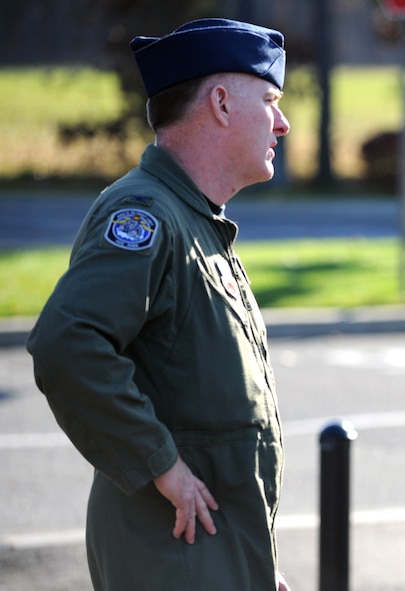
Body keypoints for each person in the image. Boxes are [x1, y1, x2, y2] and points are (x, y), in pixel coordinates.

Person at [27, 18, 292, 591]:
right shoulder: (146, 215)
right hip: (175, 557)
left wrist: (258, 563)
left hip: (217, 553)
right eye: (270, 100)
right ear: (220, 102)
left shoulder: (194, 218)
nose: (283, 122)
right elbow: (67, 343)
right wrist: (162, 466)